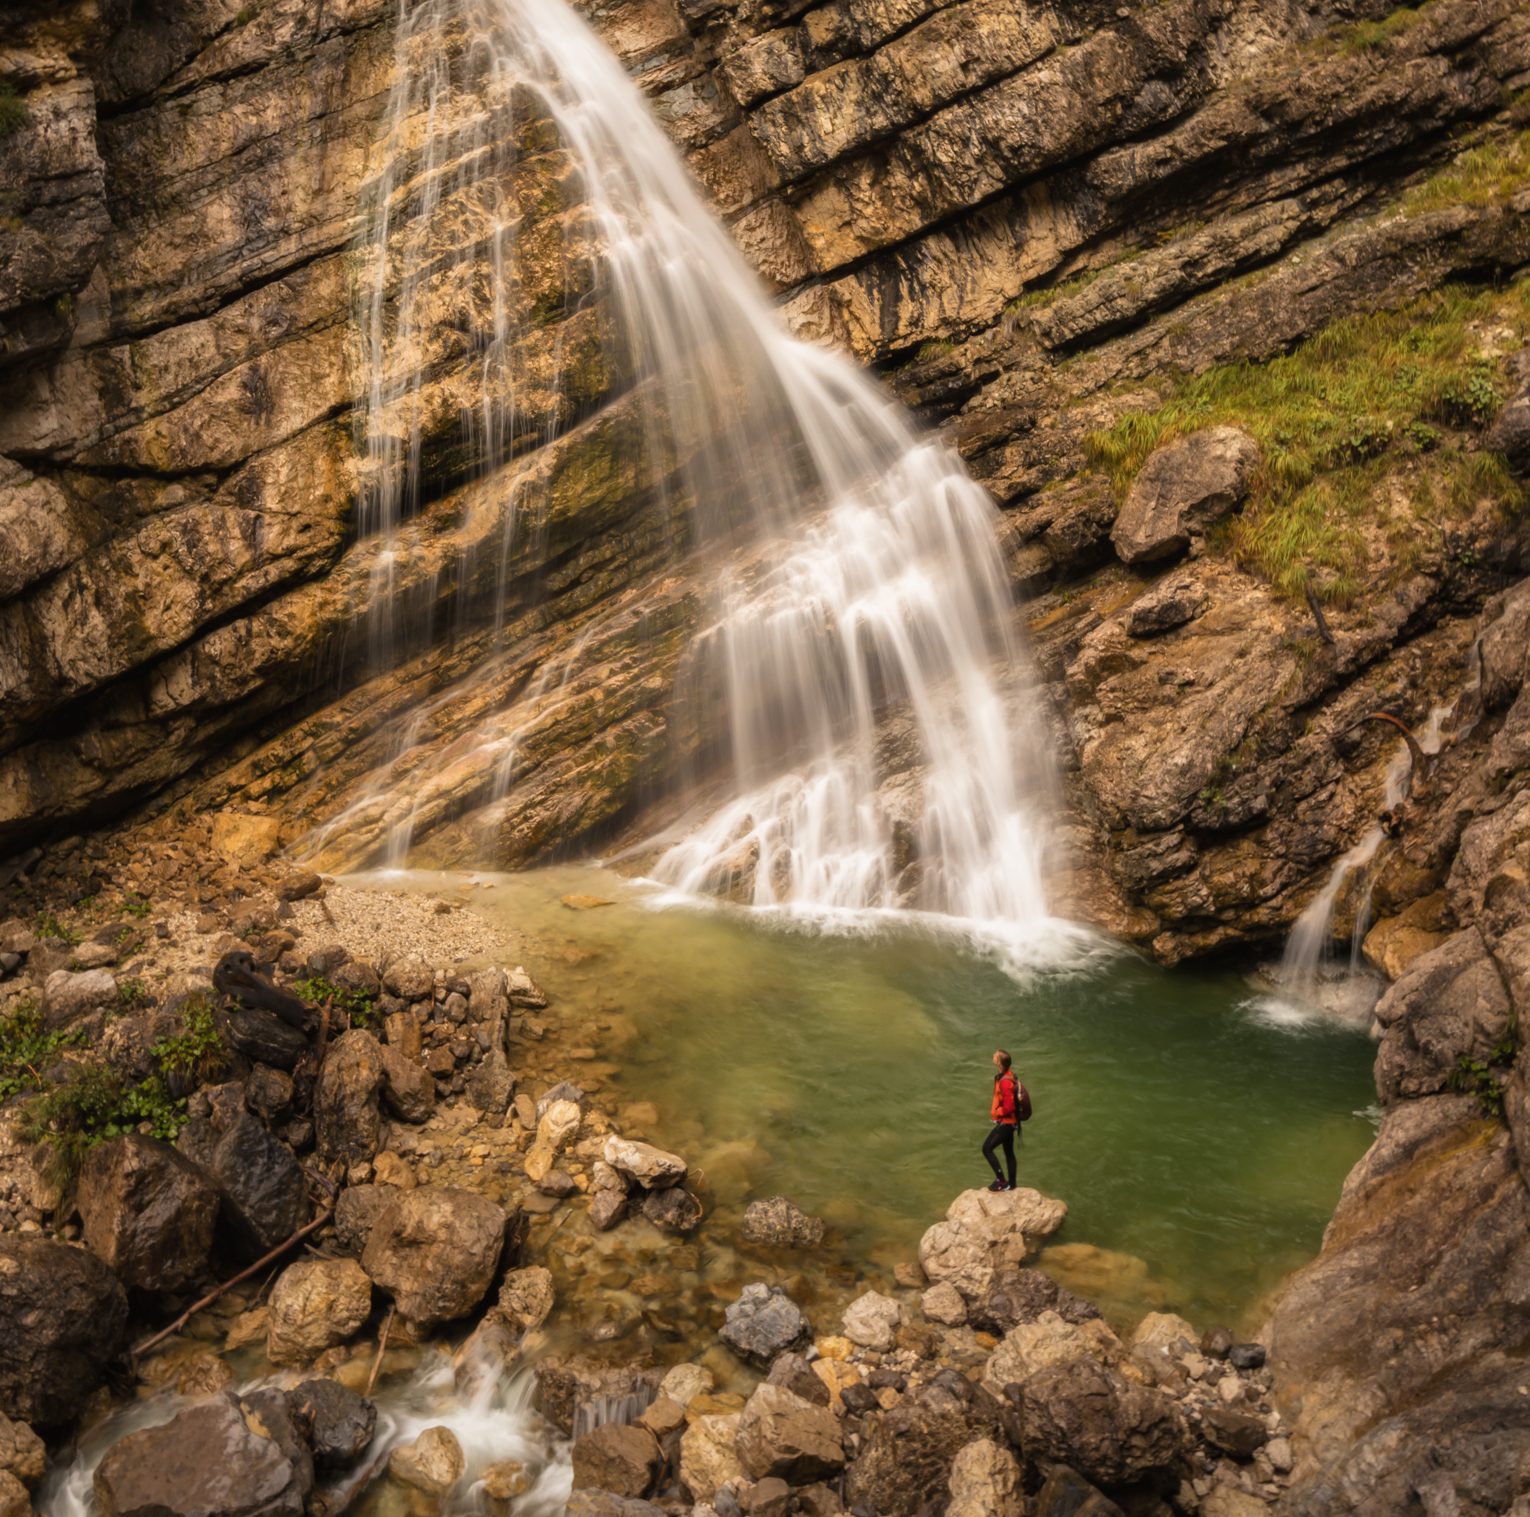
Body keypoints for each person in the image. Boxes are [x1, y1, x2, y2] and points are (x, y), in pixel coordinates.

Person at [983, 1049, 1020, 1192]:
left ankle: (1001, 1180)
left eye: (995, 1055)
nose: (993, 1055)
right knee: (1009, 1152)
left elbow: (1009, 1106)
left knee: (986, 1149)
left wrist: (998, 1112)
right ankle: (1012, 1184)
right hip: (1011, 1123)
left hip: (1006, 1123)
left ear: (999, 1062)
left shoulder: (1005, 1082)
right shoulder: (1008, 1075)